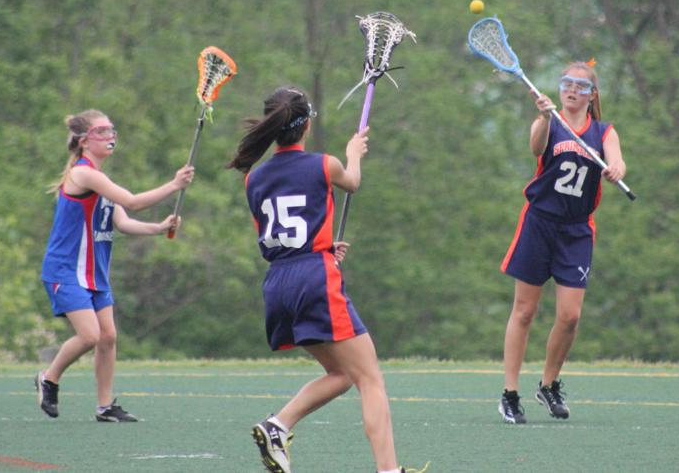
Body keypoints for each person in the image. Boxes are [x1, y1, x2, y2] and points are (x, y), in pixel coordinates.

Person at [229, 87, 419, 473]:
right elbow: (352, 182)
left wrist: (324, 248)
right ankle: (389, 470)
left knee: (343, 374)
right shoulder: (324, 165)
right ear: (306, 125)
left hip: (279, 282)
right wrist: (354, 153)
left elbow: (275, 235)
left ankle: (278, 425)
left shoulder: (253, 179)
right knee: (370, 378)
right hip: (314, 278)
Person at [36, 109, 194, 422]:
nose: (110, 136)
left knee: (108, 337)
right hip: (66, 270)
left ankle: (105, 406)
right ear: (84, 141)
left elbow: (123, 221)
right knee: (90, 336)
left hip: (94, 273)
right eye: (101, 131)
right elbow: (133, 201)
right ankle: (49, 378)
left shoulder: (102, 182)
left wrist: (159, 227)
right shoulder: (83, 174)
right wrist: (174, 185)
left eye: (111, 130)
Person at [498, 62, 627, 424]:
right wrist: (542, 117)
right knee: (524, 311)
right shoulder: (550, 122)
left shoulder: (603, 131)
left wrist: (616, 169)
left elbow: (617, 160)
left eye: (580, 86)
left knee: (570, 317)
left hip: (576, 231)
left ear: (592, 95)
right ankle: (510, 395)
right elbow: (535, 147)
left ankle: (549, 384)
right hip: (539, 224)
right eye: (566, 83)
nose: (571, 90)